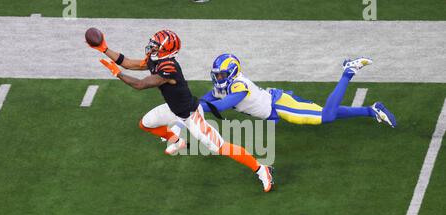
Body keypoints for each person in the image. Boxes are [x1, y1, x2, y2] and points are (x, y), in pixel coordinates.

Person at [88, 30, 274, 192]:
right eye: (153, 44)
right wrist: (104, 48)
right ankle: (177, 140)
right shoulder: (156, 59)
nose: (152, 49)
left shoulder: (168, 68)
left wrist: (117, 73)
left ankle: (261, 169)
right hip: (173, 109)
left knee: (220, 147)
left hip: (191, 115)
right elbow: (129, 63)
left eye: (156, 46)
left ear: (167, 51)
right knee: (145, 124)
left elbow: (140, 84)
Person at [199, 54, 397, 128]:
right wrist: (185, 107)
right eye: (217, 75)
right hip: (276, 103)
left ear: (232, 73)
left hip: (280, 105)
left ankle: (349, 71)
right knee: (324, 112)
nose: (218, 79)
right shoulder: (224, 86)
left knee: (326, 116)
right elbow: (203, 101)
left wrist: (194, 107)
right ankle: (372, 110)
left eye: (222, 75)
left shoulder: (238, 86)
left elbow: (222, 106)